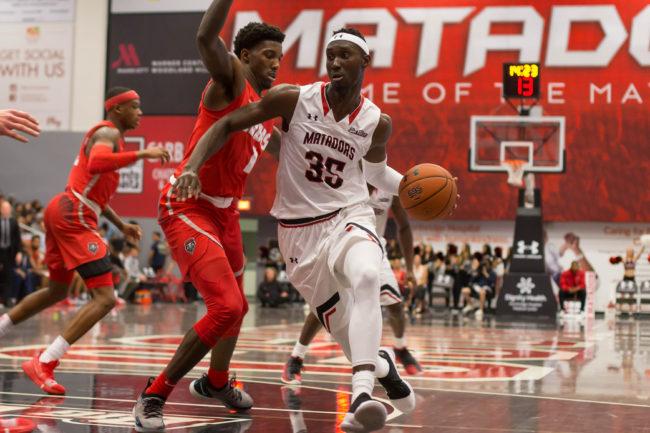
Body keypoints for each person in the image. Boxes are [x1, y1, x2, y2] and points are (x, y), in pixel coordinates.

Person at [173, 27, 417, 433]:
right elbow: (226, 124)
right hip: (299, 235)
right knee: (349, 338)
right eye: (330, 55)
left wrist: (411, 185)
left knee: (367, 275)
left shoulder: (377, 122)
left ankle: (361, 395)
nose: (335, 62)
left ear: (364, 61)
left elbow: (376, 175)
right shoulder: (294, 99)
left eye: (344, 55)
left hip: (348, 215)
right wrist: (191, 166)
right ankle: (383, 367)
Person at [131, 2, 285, 430]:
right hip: (189, 204)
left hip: (226, 214)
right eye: (268, 55)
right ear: (246, 55)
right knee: (226, 306)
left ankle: (216, 382)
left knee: (239, 308)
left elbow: (289, 150)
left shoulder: (263, 110)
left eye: (280, 57)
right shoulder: (231, 78)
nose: (275, 64)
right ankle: (154, 395)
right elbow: (205, 37)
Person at [0, 87, 169, 395]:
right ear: (117, 110)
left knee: (57, 290)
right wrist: (143, 154)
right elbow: (97, 163)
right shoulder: (108, 133)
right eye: (135, 107)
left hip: (65, 207)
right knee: (105, 298)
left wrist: (121, 225)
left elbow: (96, 195)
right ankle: (45, 361)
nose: (140, 112)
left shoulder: (109, 136)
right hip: (73, 215)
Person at [282, 186, 422, 385]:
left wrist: (409, 268)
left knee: (395, 304)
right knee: (326, 302)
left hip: (373, 246)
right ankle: (296, 356)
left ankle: (400, 348)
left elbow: (404, 226)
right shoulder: (347, 178)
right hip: (341, 243)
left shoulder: (389, 185)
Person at [0, 200, 22, 307]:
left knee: (9, 276)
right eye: (4, 208)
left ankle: (6, 299)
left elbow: (18, 239)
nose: (6, 210)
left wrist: (19, 252)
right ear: (1, 210)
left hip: (9, 252)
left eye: (8, 208)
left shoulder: (14, 222)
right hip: (0, 252)